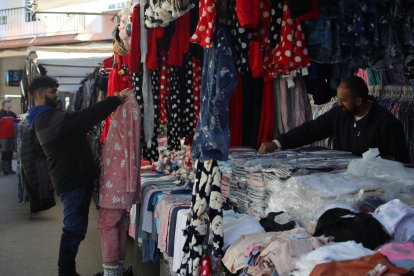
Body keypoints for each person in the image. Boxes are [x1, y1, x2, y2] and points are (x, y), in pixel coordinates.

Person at [26, 75, 131, 276]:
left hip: (72, 179)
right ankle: (66, 272)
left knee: (75, 227)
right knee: (74, 228)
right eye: (52, 92)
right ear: (40, 94)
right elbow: (84, 117)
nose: (55, 95)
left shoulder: (46, 116)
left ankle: (67, 272)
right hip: (72, 181)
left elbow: (78, 124)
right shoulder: (46, 119)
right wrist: (115, 99)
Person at [258, 76, 410, 163]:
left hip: (374, 187)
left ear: (358, 100)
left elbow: (400, 162)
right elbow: (310, 130)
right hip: (342, 181)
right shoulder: (339, 114)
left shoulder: (386, 123)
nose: (339, 103)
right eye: (338, 99)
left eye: (343, 100)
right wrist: (277, 143)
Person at [0, 99, 18, 175]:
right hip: (3, 136)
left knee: (10, 152)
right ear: (4, 104)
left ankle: (10, 169)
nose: (10, 104)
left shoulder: (12, 113)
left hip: (12, 136)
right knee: (4, 152)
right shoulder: (0, 113)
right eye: (9, 103)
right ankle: (3, 170)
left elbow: (18, 120)